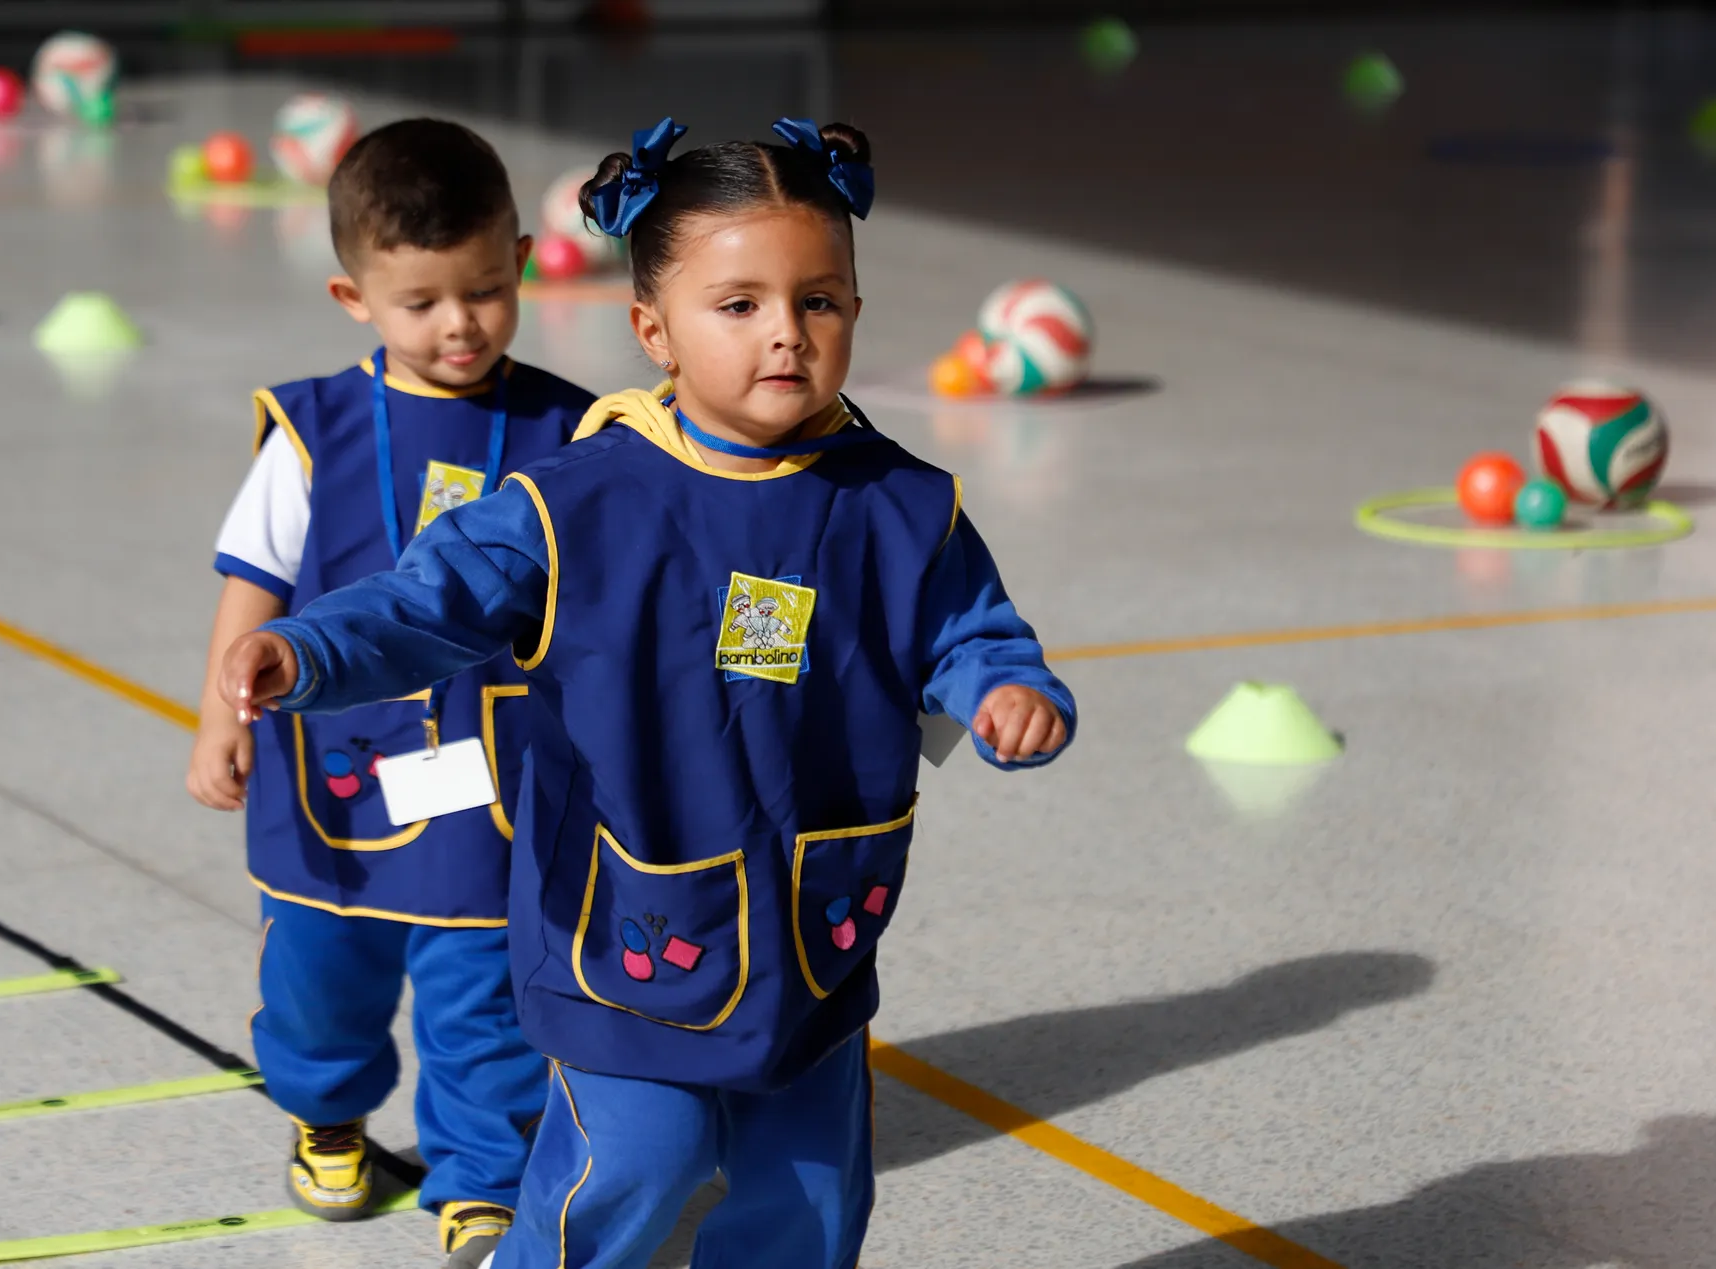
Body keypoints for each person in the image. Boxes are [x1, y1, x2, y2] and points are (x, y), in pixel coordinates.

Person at [216, 116, 1077, 1269]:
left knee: (811, 1203)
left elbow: (969, 627)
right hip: (632, 939)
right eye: (740, 306)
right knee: (630, 1168)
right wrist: (307, 650)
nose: (786, 334)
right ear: (652, 329)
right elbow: (429, 600)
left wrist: (1004, 686)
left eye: (819, 301)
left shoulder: (902, 504)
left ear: (857, 312)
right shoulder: (579, 499)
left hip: (814, 937)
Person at [185, 118, 593, 1269]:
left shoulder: (570, 431)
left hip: (489, 777)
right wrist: (221, 721)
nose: (458, 324)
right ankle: (326, 1113)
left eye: (481, 289)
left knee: (485, 989)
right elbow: (252, 586)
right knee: (320, 981)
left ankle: (483, 1178)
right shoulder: (309, 434)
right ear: (352, 295)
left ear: (520, 259)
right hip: (329, 774)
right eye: (420, 302)